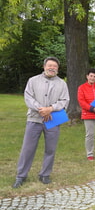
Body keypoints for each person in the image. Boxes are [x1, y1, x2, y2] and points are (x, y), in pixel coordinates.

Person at [12, 57, 70, 188]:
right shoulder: (33, 81)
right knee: (28, 148)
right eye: (49, 65)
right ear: (44, 67)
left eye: (55, 66)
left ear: (58, 69)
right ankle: (21, 175)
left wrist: (50, 108)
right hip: (34, 119)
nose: (52, 68)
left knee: (51, 148)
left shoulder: (62, 84)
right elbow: (28, 98)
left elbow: (64, 101)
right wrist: (41, 109)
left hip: (53, 120)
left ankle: (45, 174)